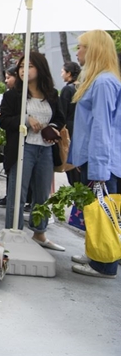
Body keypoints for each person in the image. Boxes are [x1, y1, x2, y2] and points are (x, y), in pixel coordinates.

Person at [0, 52, 65, 250]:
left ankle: (40, 233)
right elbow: (3, 121)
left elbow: (60, 118)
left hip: (45, 149)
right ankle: (13, 233)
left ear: (40, 69)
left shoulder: (52, 94)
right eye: (20, 67)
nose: (22, 71)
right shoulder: (13, 95)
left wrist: (52, 126)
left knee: (42, 194)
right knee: (17, 193)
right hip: (22, 147)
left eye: (28, 66)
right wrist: (25, 119)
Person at [69, 30, 121, 278]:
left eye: (81, 47)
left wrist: (98, 169)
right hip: (96, 159)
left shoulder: (103, 82)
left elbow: (102, 127)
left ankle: (104, 265)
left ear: (94, 50)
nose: (77, 52)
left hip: (102, 161)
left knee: (102, 212)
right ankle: (96, 255)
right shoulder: (101, 80)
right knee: (95, 210)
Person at [0, 65, 19, 208]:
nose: (6, 81)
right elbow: (4, 120)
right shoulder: (9, 95)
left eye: (9, 77)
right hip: (12, 141)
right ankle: (10, 197)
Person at [60, 61, 82, 186]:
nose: (61, 74)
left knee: (71, 168)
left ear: (69, 73)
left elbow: (62, 112)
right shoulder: (84, 87)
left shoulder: (67, 90)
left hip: (69, 130)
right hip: (81, 129)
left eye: (63, 71)